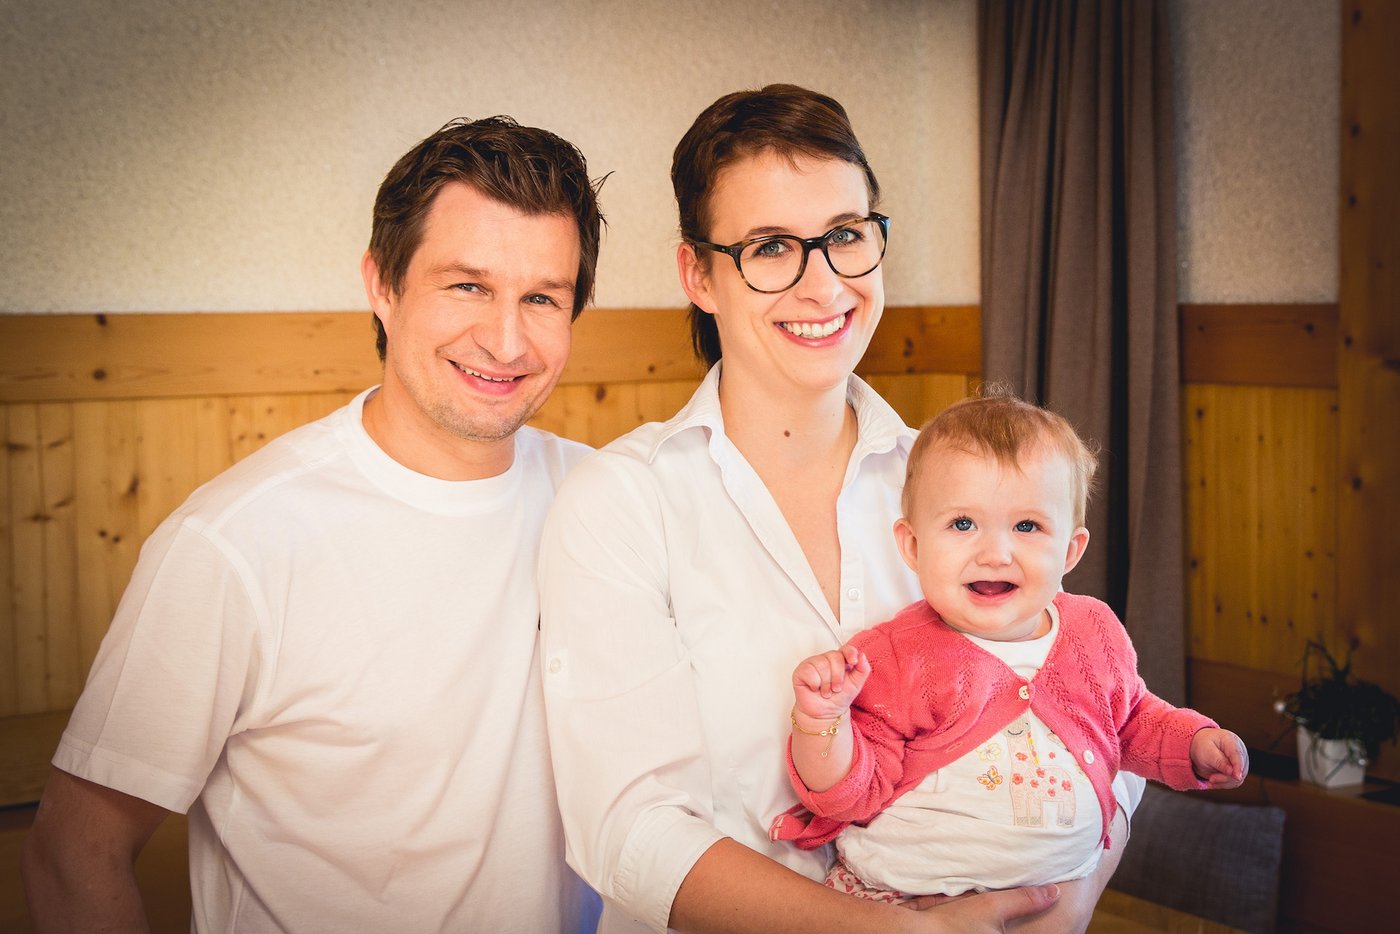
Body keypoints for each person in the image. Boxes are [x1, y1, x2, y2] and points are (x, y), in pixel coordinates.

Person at [538, 84, 1143, 934]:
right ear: (698, 275)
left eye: (846, 236)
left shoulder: (963, 489)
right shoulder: (623, 502)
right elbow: (628, 833)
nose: (824, 284)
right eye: (771, 247)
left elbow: (1102, 701)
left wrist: (1071, 896)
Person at [22, 116, 605, 932]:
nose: (506, 340)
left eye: (541, 297)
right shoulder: (233, 544)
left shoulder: (604, 502)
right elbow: (73, 853)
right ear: (382, 284)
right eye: (467, 285)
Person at [773, 391, 1249, 902]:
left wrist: (1192, 743)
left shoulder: (1094, 630)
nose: (995, 553)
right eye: (962, 524)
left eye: (1027, 526)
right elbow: (849, 793)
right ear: (912, 546)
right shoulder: (893, 657)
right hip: (899, 902)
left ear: (1070, 550)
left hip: (1052, 900)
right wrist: (823, 720)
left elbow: (1130, 720)